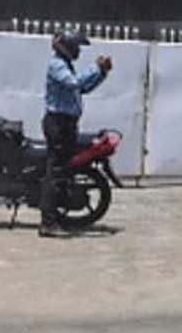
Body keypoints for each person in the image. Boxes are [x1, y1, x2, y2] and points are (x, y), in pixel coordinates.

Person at [39, 29, 111, 238]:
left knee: (62, 171)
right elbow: (74, 83)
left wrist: (101, 73)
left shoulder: (66, 66)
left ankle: (54, 217)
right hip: (58, 124)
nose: (77, 50)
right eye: (75, 46)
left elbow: (83, 88)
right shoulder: (57, 65)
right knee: (56, 171)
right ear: (66, 47)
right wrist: (95, 67)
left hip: (66, 124)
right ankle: (48, 223)